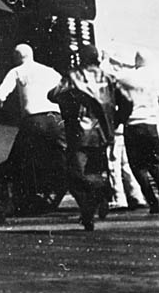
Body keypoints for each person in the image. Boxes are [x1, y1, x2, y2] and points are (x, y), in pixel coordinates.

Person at [48, 44, 119, 231]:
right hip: (103, 134)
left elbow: (54, 95)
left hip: (80, 132)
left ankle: (97, 197)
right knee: (95, 171)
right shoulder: (110, 78)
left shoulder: (73, 76)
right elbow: (121, 102)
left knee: (74, 175)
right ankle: (101, 194)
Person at [0, 44, 66, 215]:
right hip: (55, 119)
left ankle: (22, 202)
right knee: (59, 159)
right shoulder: (51, 72)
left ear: (17, 57)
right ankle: (55, 196)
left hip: (33, 120)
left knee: (20, 160)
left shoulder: (17, 71)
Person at [115, 51, 159, 214]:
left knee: (138, 168)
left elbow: (119, 97)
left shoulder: (126, 78)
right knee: (154, 163)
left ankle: (152, 201)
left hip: (133, 126)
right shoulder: (158, 80)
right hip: (151, 125)